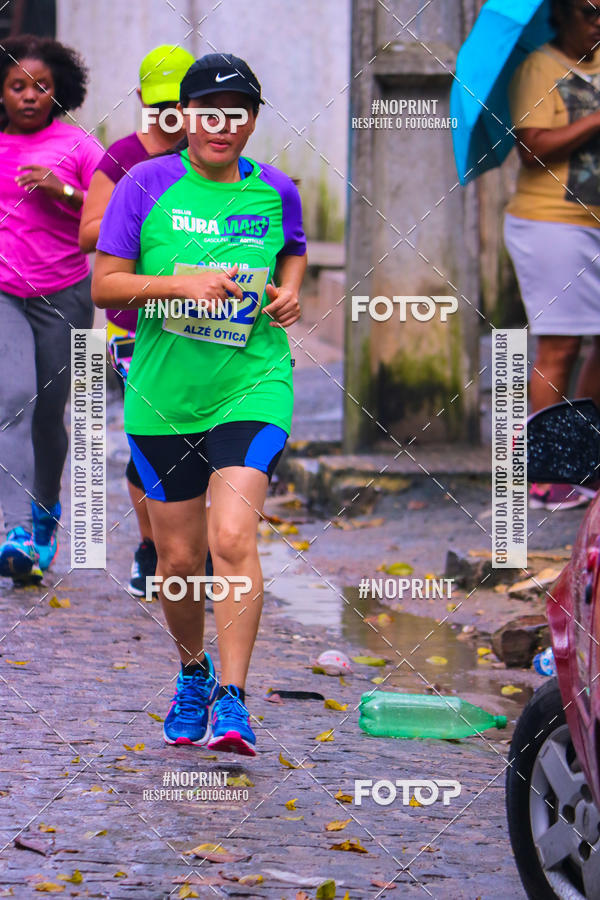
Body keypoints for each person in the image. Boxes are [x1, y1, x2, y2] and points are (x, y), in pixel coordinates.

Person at [92, 53, 307, 755]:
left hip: (252, 381)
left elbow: (294, 249)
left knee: (233, 540)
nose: (221, 124)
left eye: (237, 111)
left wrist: (290, 290)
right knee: (179, 561)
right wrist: (179, 284)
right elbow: (106, 287)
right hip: (164, 394)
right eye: (207, 110)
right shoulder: (143, 185)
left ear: (251, 119)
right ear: (183, 116)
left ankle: (236, 703)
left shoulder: (277, 190)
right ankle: (193, 674)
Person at [79, 44, 194, 596]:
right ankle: (152, 548)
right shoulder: (122, 155)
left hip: (200, 321)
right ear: (145, 98)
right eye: (164, 100)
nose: (174, 111)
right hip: (135, 320)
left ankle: (188, 551)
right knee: (154, 433)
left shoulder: (210, 154)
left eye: (184, 100)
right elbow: (86, 232)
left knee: (197, 430)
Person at [0, 36, 104, 583]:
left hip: (64, 293)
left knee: (48, 415)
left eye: (41, 86)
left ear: (59, 89)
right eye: (18, 85)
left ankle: (44, 517)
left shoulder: (81, 146)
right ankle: (15, 529)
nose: (30, 96)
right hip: (3, 295)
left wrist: (63, 191)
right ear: (2, 91)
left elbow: (119, 219)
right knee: (12, 399)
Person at [505, 0, 600, 510]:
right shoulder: (538, 66)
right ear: (562, 13)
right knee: (560, 347)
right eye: (590, 12)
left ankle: (584, 461)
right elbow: (532, 147)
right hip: (552, 224)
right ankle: (543, 477)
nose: (599, 22)